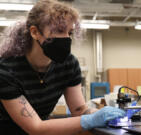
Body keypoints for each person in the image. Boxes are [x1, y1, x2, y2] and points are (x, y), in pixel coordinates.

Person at [0, 0, 126, 134]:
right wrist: (90, 120)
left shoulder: (68, 64)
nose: (66, 38)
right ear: (35, 32)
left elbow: (79, 110)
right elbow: (35, 128)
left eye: (70, 32)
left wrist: (99, 114)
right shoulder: (7, 70)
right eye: (59, 30)